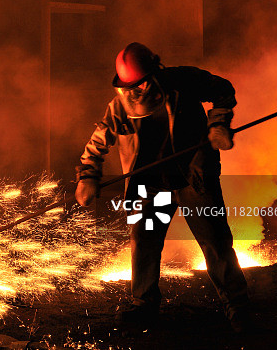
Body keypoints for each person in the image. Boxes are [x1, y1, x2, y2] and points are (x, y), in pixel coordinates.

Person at [75, 42, 251, 332]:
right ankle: (143, 305)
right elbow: (97, 143)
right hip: (150, 186)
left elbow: (223, 90)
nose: (139, 90)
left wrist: (218, 122)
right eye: (132, 87)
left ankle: (237, 306)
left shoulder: (184, 81)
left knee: (216, 242)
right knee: (144, 242)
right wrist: (88, 176)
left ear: (156, 71)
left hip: (193, 177)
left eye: (143, 83)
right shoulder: (119, 107)